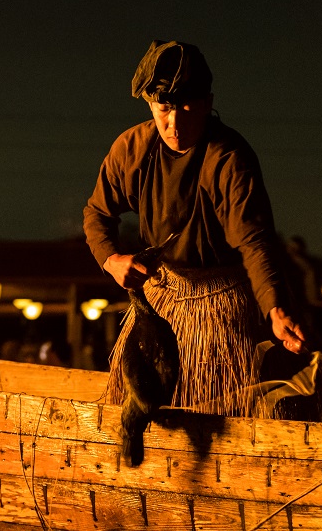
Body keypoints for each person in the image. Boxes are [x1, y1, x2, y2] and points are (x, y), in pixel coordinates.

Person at [83, 40, 306, 418]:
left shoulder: (229, 158)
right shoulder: (132, 149)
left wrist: (275, 308)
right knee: (136, 409)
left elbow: (253, 241)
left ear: (206, 102)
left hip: (220, 305)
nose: (174, 123)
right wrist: (111, 258)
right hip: (161, 297)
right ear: (151, 105)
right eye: (164, 108)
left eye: (186, 106)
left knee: (225, 417)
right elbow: (97, 213)